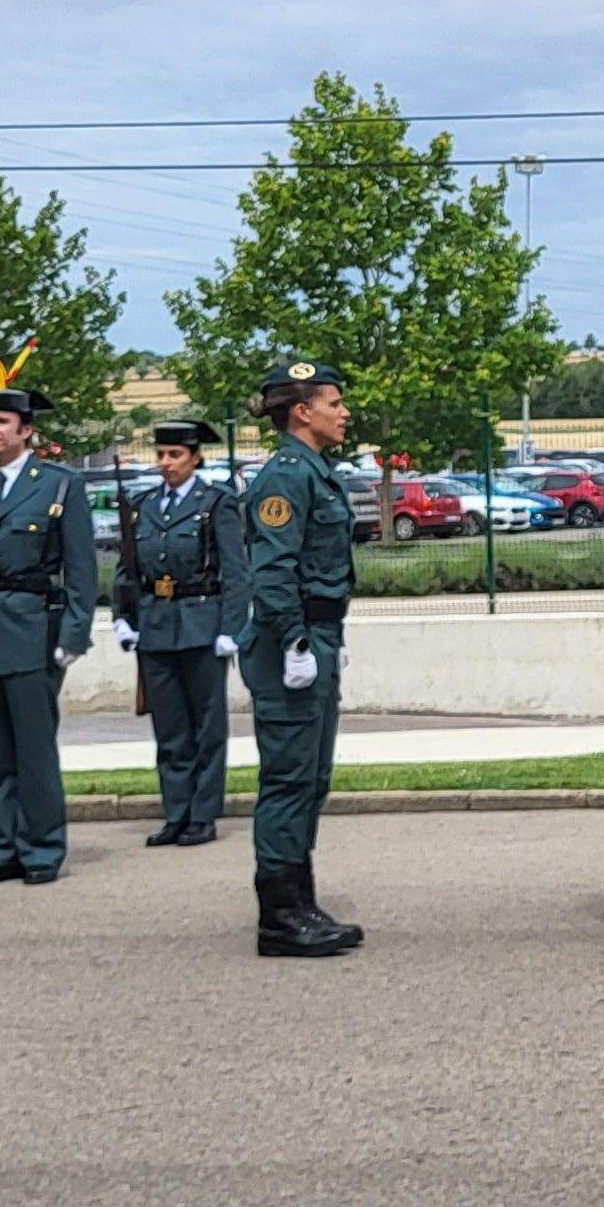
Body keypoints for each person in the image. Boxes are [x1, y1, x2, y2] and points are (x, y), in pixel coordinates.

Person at [0, 386, 96, 888]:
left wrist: (74, 631)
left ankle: (41, 848)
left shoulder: (58, 485)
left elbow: (81, 566)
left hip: (31, 627)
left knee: (32, 750)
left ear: (25, 430)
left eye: (1, 422)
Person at [239, 359, 362, 957]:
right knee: (289, 777)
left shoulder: (313, 471)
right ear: (301, 411)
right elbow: (274, 569)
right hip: (295, 639)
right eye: (333, 403)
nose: (344, 413)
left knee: (309, 777)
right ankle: (280, 916)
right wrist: (293, 640)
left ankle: (300, 900)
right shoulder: (287, 477)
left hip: (317, 636)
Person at [114, 419, 241, 850]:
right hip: (155, 624)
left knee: (206, 726)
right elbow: (128, 566)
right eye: (162, 455)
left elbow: (236, 572)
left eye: (175, 455)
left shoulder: (215, 503)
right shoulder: (144, 504)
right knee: (169, 728)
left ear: (195, 458)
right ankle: (175, 812)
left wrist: (231, 627)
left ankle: (203, 815)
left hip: (202, 623)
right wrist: (123, 615)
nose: (166, 464)